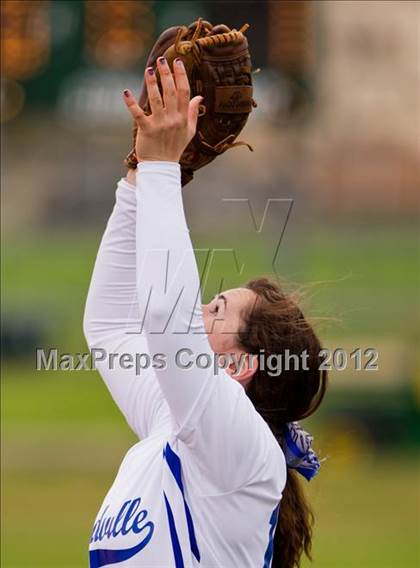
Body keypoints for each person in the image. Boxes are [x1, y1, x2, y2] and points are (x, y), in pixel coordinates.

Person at [83, 56, 327, 568]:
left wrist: (162, 169)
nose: (199, 309)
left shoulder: (241, 448)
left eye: (216, 309)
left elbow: (167, 327)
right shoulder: (173, 426)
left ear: (239, 366)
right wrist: (137, 177)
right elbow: (110, 327)